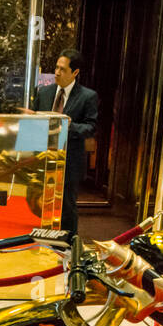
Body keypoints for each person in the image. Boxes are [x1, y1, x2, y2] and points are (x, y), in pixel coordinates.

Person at [29, 48, 99, 236]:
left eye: (62, 69)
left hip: (69, 161)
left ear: (75, 72)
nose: (57, 73)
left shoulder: (87, 96)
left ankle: (68, 247)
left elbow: (91, 127)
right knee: (39, 204)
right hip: (42, 159)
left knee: (67, 206)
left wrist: (69, 126)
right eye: (56, 68)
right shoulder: (44, 92)